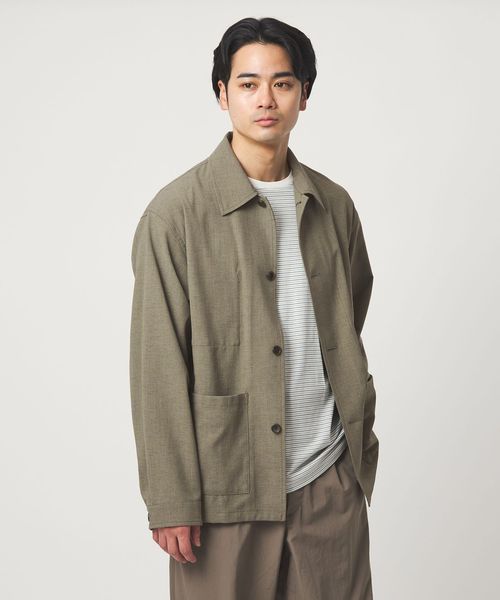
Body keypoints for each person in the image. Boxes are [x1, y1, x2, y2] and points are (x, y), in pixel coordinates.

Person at [129, 16, 379, 600]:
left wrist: (353, 456)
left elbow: (349, 317)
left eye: (282, 83)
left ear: (304, 95)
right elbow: (157, 365)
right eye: (247, 84)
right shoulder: (175, 215)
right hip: (224, 485)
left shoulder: (334, 205)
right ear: (222, 94)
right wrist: (171, 498)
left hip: (329, 476)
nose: (265, 99)